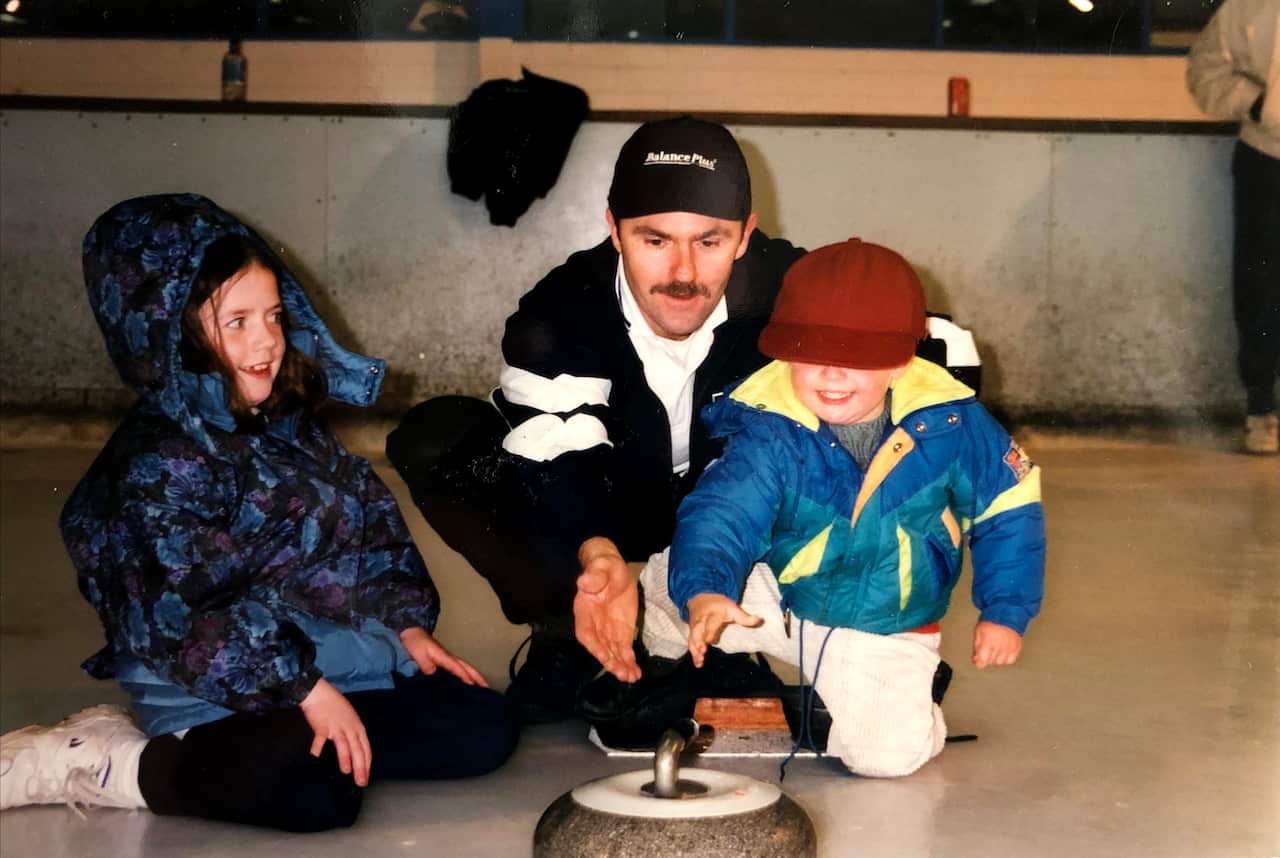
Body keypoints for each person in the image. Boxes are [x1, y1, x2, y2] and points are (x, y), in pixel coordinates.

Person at [0, 194, 517, 831]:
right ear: (171, 331)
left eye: (273, 315)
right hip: (205, 683)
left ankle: (311, 735)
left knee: (481, 726)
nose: (267, 341)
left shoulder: (284, 422)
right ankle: (119, 761)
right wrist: (304, 692)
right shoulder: (152, 467)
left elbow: (366, 525)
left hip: (313, 659)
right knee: (311, 792)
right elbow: (194, 618)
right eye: (236, 321)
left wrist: (405, 626)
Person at [387, 117, 806, 722]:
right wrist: (597, 557)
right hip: (611, 494)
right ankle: (564, 630)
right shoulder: (564, 304)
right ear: (613, 229)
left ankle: (720, 638)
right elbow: (558, 454)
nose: (683, 273)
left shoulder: (797, 288)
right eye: (655, 241)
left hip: (728, 500)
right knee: (440, 440)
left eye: (709, 242)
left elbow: (923, 357)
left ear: (745, 237)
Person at [611, 238, 1046, 776]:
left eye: (857, 357)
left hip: (884, 625)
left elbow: (1010, 508)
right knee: (680, 584)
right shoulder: (771, 430)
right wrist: (705, 590)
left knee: (886, 759)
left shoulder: (954, 424)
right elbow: (724, 513)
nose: (832, 374)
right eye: (811, 352)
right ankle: (665, 637)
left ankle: (907, 697)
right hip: (784, 598)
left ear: (901, 358)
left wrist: (1006, 609)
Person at [1186, 0, 1280, 455]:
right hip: (1266, 161)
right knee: (1260, 289)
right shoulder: (1249, 5)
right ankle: (1262, 408)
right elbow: (1204, 70)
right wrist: (1258, 102)